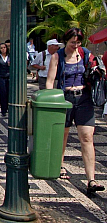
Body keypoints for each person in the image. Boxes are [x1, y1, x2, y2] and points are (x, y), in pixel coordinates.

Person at [46, 28, 104, 194]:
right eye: (73, 43)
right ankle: (60, 165)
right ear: (66, 42)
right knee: (62, 135)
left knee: (87, 137)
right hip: (64, 98)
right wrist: (51, 103)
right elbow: (50, 81)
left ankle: (91, 179)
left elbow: (96, 69)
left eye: (78, 43)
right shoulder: (58, 56)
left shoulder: (85, 54)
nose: (76, 46)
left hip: (84, 98)